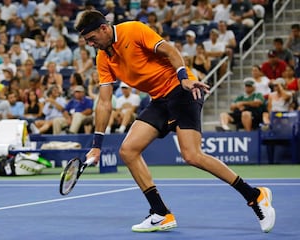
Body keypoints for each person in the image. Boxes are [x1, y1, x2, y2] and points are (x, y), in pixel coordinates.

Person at [75, 10, 275, 233]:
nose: (91, 44)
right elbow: (104, 102)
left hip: (181, 90)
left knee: (192, 155)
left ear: (103, 28)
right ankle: (161, 212)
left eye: (92, 38)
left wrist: (184, 79)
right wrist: (96, 146)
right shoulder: (103, 57)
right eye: (87, 41)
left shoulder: (133, 29)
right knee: (128, 150)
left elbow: (171, 51)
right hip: (158, 100)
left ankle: (255, 195)